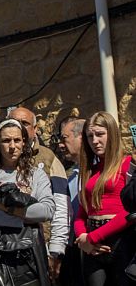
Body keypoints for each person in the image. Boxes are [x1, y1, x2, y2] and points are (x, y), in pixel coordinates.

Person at [0, 119, 54, 285]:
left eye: (17, 140)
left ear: (24, 142)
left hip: (30, 251)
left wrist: (0, 207)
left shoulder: (36, 174)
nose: (12, 146)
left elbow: (47, 210)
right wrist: (27, 217)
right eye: (6, 140)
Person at [9, 107, 70, 280]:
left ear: (35, 130)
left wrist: (56, 251)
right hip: (6, 247)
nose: (18, 127)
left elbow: (61, 208)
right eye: (14, 123)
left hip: (41, 247)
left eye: (25, 123)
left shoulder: (48, 158)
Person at [73, 111, 133, 285]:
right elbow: (82, 213)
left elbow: (129, 212)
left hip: (120, 241)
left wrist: (91, 238)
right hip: (91, 245)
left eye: (100, 134)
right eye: (90, 136)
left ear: (112, 134)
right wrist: (83, 239)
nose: (94, 141)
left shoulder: (128, 164)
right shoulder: (90, 171)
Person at [57, 113, 86, 286]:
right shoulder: (71, 177)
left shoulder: (100, 173)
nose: (60, 145)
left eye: (65, 138)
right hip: (74, 250)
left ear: (81, 137)